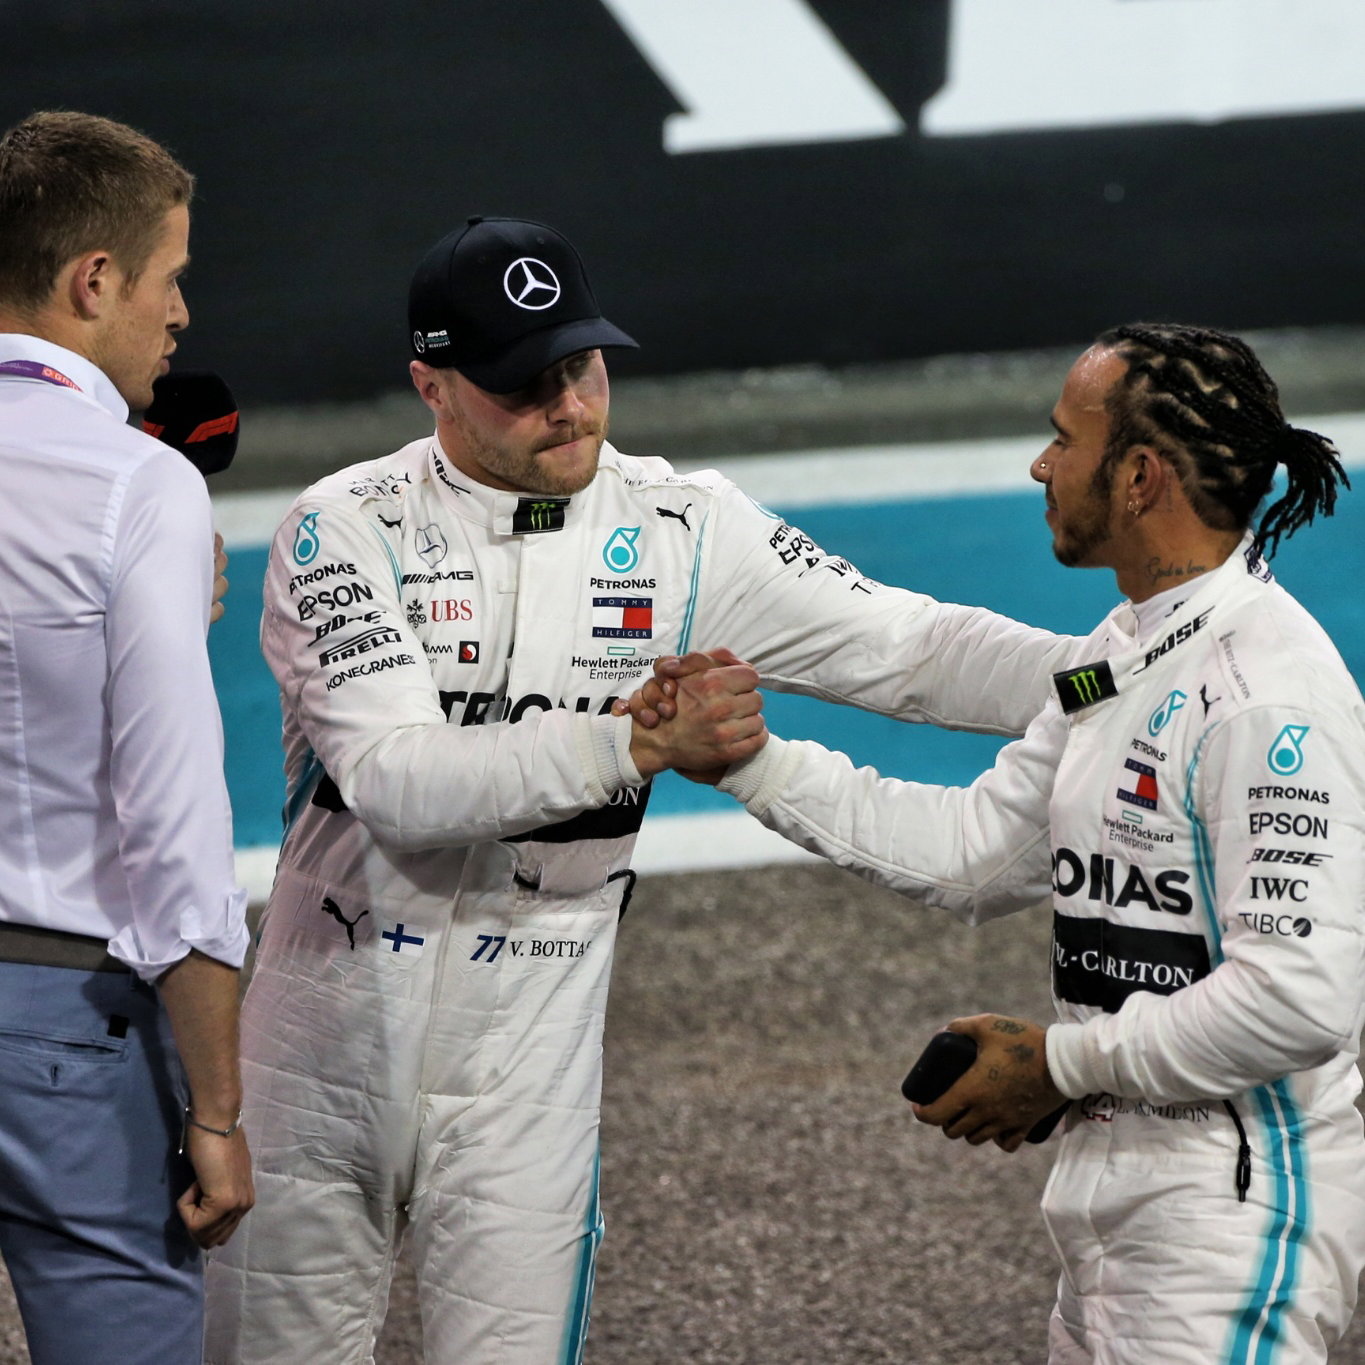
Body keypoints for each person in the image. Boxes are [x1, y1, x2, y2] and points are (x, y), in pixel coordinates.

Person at [203, 214, 1075, 1363]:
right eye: (525, 383)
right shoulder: (342, 530)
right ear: (433, 384)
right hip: (314, 1063)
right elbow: (397, 783)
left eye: (582, 365)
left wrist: (1143, 664)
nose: (569, 404)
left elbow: (915, 651)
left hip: (529, 1078)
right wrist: (635, 746)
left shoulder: (682, 526)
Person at [679, 324, 1365, 1363]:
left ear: (1139, 478)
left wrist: (1061, 1061)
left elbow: (1301, 995)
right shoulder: (1122, 655)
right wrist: (753, 764)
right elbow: (974, 852)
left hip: (1235, 1213)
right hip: (1124, 1195)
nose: (1040, 466)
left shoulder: (1267, 699)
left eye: (1063, 441)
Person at [0, 111, 254, 1363]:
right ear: (92, 281)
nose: (180, 315)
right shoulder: (137, 485)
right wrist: (217, 1107)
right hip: (63, 1024)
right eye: (172, 277)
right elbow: (172, 820)